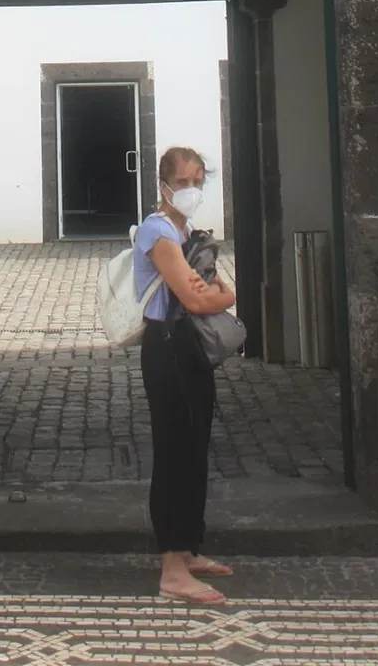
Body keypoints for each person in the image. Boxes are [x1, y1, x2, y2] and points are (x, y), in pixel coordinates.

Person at [132, 144, 237, 605]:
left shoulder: (186, 232)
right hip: (168, 346)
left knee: (195, 447)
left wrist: (216, 294)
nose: (191, 189)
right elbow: (199, 298)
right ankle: (172, 568)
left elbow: (211, 289)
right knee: (175, 452)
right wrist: (224, 299)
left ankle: (189, 548)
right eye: (183, 182)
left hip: (189, 346)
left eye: (198, 181)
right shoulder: (158, 231)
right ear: (164, 185)